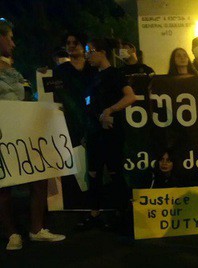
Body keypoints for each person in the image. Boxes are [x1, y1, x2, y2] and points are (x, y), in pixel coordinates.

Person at [0, 17, 65, 251]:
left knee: (39, 177)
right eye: (10, 38)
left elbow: (28, 98)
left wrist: (46, 101)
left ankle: (36, 229)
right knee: (3, 184)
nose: (13, 43)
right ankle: (12, 234)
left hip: (23, 131)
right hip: (2, 134)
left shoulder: (14, 68)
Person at [78, 38, 137, 230]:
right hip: (94, 132)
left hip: (112, 132)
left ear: (102, 52)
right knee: (93, 172)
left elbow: (130, 96)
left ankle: (123, 214)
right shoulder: (92, 76)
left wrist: (110, 110)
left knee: (114, 171)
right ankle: (94, 213)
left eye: (90, 51)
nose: (88, 56)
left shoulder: (115, 74)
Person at [53, 32, 97, 148]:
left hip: (93, 120)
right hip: (70, 122)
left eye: (75, 43)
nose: (71, 46)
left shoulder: (93, 68)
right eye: (68, 43)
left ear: (83, 46)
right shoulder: (60, 70)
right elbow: (57, 95)